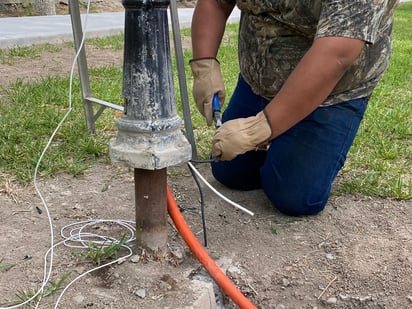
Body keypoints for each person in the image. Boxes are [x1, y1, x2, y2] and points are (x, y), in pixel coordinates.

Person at [189, 0, 399, 216]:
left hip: (331, 92)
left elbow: (337, 53)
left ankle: (289, 135)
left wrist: (258, 129)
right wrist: (204, 66)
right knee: (229, 170)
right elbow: (216, 2)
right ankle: (280, 135)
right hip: (260, 77)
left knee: (293, 196)